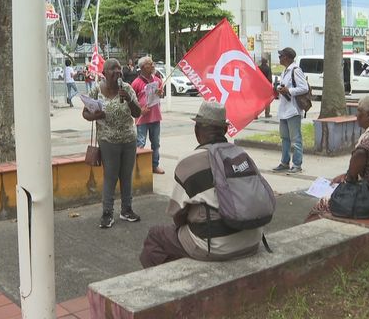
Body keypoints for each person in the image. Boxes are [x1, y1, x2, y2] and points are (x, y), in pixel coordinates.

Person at [139, 101, 263, 268]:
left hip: (215, 247)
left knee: (156, 236)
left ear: (196, 130)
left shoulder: (189, 162)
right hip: (253, 239)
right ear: (225, 130)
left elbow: (177, 215)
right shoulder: (242, 155)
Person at [310, 95, 369, 215]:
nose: (356, 115)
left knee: (322, 205)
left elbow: (360, 153)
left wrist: (349, 178)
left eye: (359, 111)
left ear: (368, 115)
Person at [82, 58, 142, 228]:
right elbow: (85, 113)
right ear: (104, 73)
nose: (117, 71)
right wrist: (95, 116)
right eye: (112, 69)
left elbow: (137, 113)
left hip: (128, 139)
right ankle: (107, 213)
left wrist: (129, 99)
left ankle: (126, 210)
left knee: (126, 176)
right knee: (111, 176)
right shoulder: (96, 90)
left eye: (118, 69)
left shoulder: (127, 89)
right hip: (108, 141)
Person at [272, 47, 308, 174]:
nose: (279, 58)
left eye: (281, 56)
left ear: (286, 57)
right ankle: (284, 162)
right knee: (285, 138)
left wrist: (289, 91)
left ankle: (297, 164)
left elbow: (304, 88)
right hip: (284, 110)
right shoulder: (285, 71)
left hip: (293, 110)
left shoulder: (296, 70)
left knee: (296, 139)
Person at [131, 57, 165, 174]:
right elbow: (131, 101)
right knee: (140, 143)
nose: (152, 65)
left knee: (155, 143)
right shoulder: (136, 83)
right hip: (142, 118)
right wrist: (140, 110)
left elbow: (161, 95)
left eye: (152, 63)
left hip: (155, 116)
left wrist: (161, 93)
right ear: (142, 67)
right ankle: (138, 167)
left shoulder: (157, 80)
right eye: (149, 64)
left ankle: (155, 165)